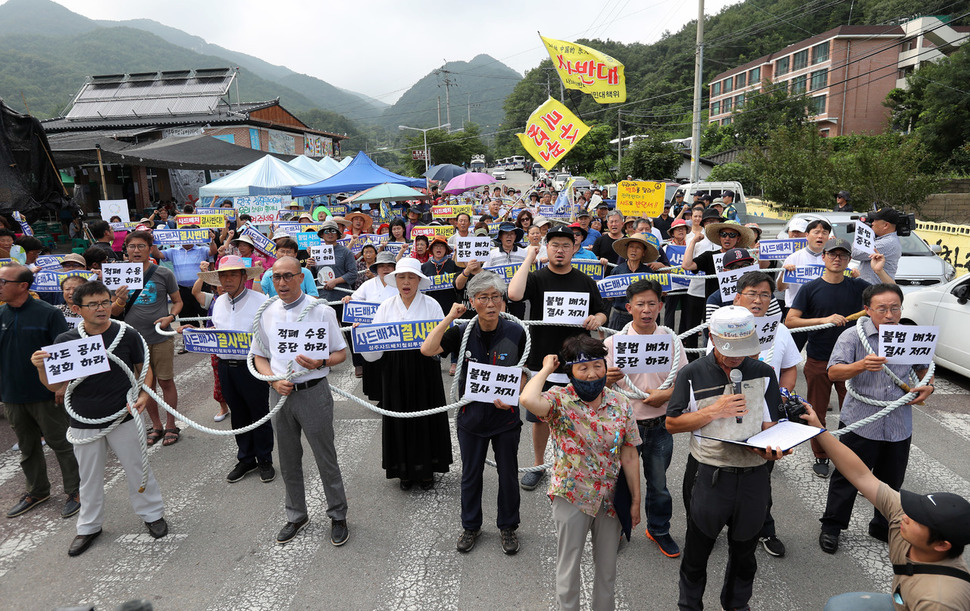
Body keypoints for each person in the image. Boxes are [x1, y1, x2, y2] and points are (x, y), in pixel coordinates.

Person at [30, 281, 167, 557]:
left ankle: (153, 514)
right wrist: (41, 368)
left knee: (138, 468)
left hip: (124, 415)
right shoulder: (65, 341)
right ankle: (89, 526)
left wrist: (143, 396)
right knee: (88, 477)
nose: (101, 309)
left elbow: (144, 369)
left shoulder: (127, 334)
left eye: (105, 302)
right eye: (92, 304)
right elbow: (55, 387)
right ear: (76, 309)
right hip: (84, 419)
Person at [666, 305, 788, 611]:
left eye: (742, 349)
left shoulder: (763, 373)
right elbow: (672, 423)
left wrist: (774, 447)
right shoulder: (691, 373)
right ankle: (689, 606)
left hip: (754, 475)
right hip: (709, 474)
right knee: (697, 552)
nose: (736, 357)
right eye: (728, 349)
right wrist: (712, 411)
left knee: (745, 555)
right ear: (712, 337)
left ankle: (737, 605)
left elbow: (771, 426)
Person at [799, 408, 970, 611]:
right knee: (837, 607)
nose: (906, 517)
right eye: (915, 510)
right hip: (902, 602)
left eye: (918, 519)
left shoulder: (940, 601)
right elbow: (861, 474)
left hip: (917, 603)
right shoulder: (904, 518)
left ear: (942, 545)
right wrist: (819, 429)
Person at [519, 336, 641, 611]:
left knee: (607, 571)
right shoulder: (559, 400)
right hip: (571, 495)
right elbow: (527, 398)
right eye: (583, 368)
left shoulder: (620, 403)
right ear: (570, 372)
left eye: (597, 366)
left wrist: (635, 500)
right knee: (568, 572)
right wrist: (547, 369)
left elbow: (630, 454)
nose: (592, 374)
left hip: (610, 498)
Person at [818, 283, 934, 555]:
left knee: (891, 480)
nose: (889, 314)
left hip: (898, 424)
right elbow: (833, 373)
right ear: (867, 310)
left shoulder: (910, 336)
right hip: (861, 420)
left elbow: (924, 370)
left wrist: (928, 387)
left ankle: (883, 526)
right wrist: (860, 366)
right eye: (881, 308)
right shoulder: (852, 336)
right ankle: (832, 527)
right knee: (846, 478)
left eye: (895, 308)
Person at [421, 271, 526, 555]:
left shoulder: (517, 331)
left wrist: (514, 396)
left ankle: (508, 526)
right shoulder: (463, 331)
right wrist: (449, 318)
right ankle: (470, 526)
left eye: (495, 297)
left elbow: (526, 373)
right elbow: (427, 348)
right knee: (470, 475)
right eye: (483, 298)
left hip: (505, 418)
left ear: (503, 301)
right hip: (471, 418)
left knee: (508, 474)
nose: (491, 304)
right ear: (471, 301)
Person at [250, 257, 350, 547]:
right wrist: (272, 380)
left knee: (325, 456)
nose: (281, 283)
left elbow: (341, 353)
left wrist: (321, 360)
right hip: (279, 394)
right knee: (288, 458)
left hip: (313, 391)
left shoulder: (321, 310)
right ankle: (296, 514)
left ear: (301, 276)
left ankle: (338, 514)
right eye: (276, 277)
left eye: (288, 276)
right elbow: (260, 355)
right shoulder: (266, 311)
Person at [509, 226, 609, 491]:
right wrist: (529, 258)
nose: (560, 250)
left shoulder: (585, 280)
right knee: (539, 417)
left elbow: (601, 313)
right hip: (542, 360)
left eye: (566, 245)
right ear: (547, 247)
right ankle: (540, 464)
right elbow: (514, 295)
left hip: (578, 361)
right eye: (554, 245)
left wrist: (597, 319)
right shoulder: (537, 277)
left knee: (579, 414)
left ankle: (577, 464)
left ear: (575, 248)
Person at [786, 239, 894, 478]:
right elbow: (791, 321)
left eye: (842, 256)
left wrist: (879, 271)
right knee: (817, 410)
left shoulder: (858, 287)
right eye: (832, 254)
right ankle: (821, 456)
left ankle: (853, 460)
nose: (837, 259)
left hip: (853, 362)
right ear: (823, 257)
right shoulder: (810, 288)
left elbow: (892, 295)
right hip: (818, 359)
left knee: (856, 412)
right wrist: (822, 320)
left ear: (848, 260)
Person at [604, 279, 687, 559]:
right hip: (625, 426)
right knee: (618, 481)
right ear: (629, 308)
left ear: (661, 306)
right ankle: (615, 529)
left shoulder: (672, 341)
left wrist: (666, 395)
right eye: (640, 304)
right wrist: (605, 378)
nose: (646, 309)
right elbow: (595, 387)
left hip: (661, 425)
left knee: (659, 483)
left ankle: (659, 529)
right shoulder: (612, 344)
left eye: (652, 303)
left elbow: (684, 382)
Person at [361, 258, 453, 490]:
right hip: (393, 368)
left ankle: (426, 470)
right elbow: (374, 352)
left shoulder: (431, 304)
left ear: (419, 280)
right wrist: (363, 337)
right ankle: (403, 469)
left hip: (425, 368)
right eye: (401, 277)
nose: (406, 282)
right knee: (398, 415)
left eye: (411, 277)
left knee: (425, 415)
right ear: (395, 280)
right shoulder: (385, 307)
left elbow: (443, 339)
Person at [0, 263, 80, 519]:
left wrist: (63, 385)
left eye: (3, 282)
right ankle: (37, 490)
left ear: (23, 286)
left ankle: (76, 491)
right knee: (27, 447)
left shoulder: (48, 313)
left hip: (46, 393)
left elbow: (63, 352)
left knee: (61, 443)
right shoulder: (1, 314)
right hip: (12, 394)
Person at [731, 271, 803, 558]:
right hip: (730, 413)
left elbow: (788, 367)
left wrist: (782, 396)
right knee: (725, 473)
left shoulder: (780, 330)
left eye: (764, 294)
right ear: (738, 296)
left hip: (769, 416)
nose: (758, 300)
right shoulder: (725, 326)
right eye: (752, 293)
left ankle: (764, 527)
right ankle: (718, 524)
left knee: (761, 475)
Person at [192, 256, 275, 484]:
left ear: (243, 277)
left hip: (253, 365)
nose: (227, 280)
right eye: (223, 275)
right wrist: (194, 333)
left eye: (232, 275)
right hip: (226, 367)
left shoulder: (261, 301)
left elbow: (270, 335)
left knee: (259, 413)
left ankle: (265, 459)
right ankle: (246, 458)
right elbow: (215, 331)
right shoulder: (218, 301)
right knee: (238, 414)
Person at [110, 231, 183, 447]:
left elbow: (177, 302)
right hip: (133, 341)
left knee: (166, 381)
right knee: (145, 386)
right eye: (132, 246)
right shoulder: (118, 275)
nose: (136, 250)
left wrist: (170, 317)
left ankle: (171, 424)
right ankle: (156, 425)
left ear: (150, 249)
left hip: (160, 337)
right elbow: (113, 312)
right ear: (126, 249)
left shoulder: (163, 273)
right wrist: (121, 299)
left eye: (141, 246)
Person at [341, 251, 399, 383]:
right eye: (381, 265)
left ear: (394, 268)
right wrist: (350, 298)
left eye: (389, 265)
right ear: (376, 268)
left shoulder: (400, 284)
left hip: (393, 332)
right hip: (372, 333)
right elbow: (356, 301)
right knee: (375, 370)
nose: (385, 269)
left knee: (393, 370)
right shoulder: (368, 284)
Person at [152, 229, 217, 327]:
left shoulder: (201, 250)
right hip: (182, 291)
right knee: (187, 319)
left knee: (207, 316)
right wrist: (153, 242)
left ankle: (210, 338)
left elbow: (213, 251)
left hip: (201, 289)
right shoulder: (173, 251)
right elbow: (158, 254)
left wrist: (212, 240)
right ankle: (190, 340)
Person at [606, 233, 661, 330]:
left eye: (638, 248)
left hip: (642, 317)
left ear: (644, 252)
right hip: (619, 316)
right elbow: (609, 298)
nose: (634, 250)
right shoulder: (617, 271)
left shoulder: (648, 273)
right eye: (631, 247)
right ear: (627, 249)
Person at [314, 219, 358, 319]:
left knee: (346, 331)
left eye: (333, 231)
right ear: (322, 234)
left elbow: (353, 273)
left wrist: (335, 281)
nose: (330, 234)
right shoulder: (316, 251)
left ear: (338, 234)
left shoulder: (346, 252)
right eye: (327, 231)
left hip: (342, 297)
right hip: (323, 296)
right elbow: (312, 275)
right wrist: (309, 265)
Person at [855, 207, 903, 283]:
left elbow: (856, 254)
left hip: (876, 290)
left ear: (886, 225)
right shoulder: (885, 240)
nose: (872, 223)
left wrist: (861, 233)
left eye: (875, 220)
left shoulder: (887, 243)